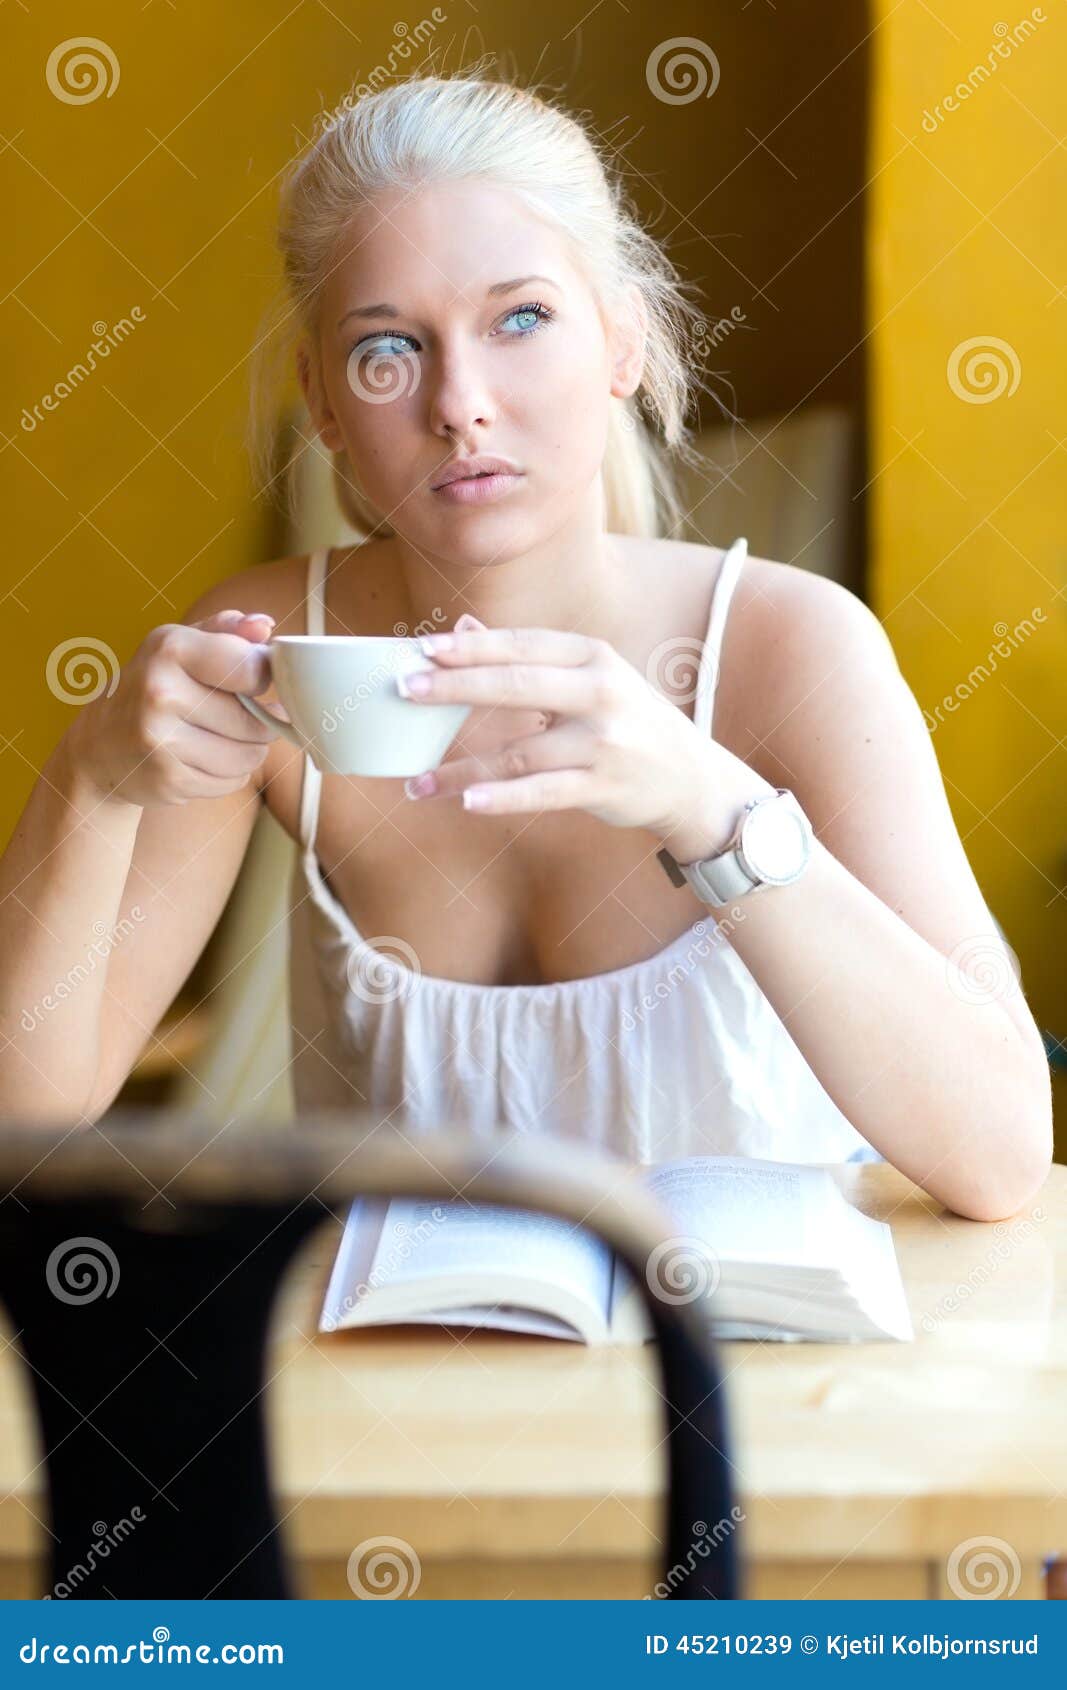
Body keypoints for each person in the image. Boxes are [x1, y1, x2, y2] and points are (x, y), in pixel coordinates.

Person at [0, 72, 1050, 1221]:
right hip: (408, 1389)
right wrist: (93, 778)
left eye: (520, 319)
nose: (458, 402)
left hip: (759, 1387)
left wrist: (707, 803)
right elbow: (26, 1137)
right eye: (388, 347)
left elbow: (998, 1155)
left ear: (620, 342)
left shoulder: (788, 648)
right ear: (325, 402)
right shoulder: (270, 659)